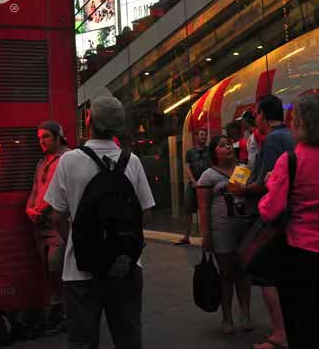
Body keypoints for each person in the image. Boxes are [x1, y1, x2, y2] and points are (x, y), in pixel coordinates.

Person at [44, 89, 155, 349]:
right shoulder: (133, 161)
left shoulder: (69, 161)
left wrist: (77, 239)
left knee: (83, 341)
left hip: (80, 270)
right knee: (128, 338)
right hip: (126, 268)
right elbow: (145, 215)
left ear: (89, 120)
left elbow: (58, 216)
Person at [257, 94, 319, 349]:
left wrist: (269, 185)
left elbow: (269, 211)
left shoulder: (291, 161)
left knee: (299, 327)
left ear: (301, 123)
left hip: (298, 254)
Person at [233, 95, 292, 349]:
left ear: (264, 115)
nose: (255, 119)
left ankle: (279, 333)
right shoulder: (289, 137)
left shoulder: (272, 140)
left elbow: (267, 183)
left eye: (256, 114)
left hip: (273, 216)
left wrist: (241, 190)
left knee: (267, 276)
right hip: (290, 215)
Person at [197, 135, 253, 335]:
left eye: (229, 143)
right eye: (222, 145)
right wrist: (206, 236)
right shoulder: (208, 176)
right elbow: (203, 208)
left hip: (244, 228)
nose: (228, 146)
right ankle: (227, 317)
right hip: (222, 230)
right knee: (227, 274)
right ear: (215, 153)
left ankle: (245, 315)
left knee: (244, 272)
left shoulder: (243, 169)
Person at [25, 120, 69, 334]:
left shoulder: (67, 159)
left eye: (46, 137)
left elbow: (59, 191)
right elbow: (36, 187)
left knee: (56, 269)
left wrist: (39, 210)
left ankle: (62, 312)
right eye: (39, 137)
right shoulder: (42, 162)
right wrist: (29, 209)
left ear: (58, 136)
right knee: (48, 271)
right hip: (39, 225)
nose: (41, 141)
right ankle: (57, 310)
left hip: (58, 226)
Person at [176, 128, 210, 245]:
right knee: (188, 209)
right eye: (201, 134)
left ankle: (206, 236)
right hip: (193, 185)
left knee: (205, 210)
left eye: (205, 135)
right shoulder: (190, 152)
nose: (203, 137)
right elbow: (187, 167)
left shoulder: (210, 151)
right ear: (196, 136)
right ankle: (186, 236)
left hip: (206, 185)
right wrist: (193, 181)